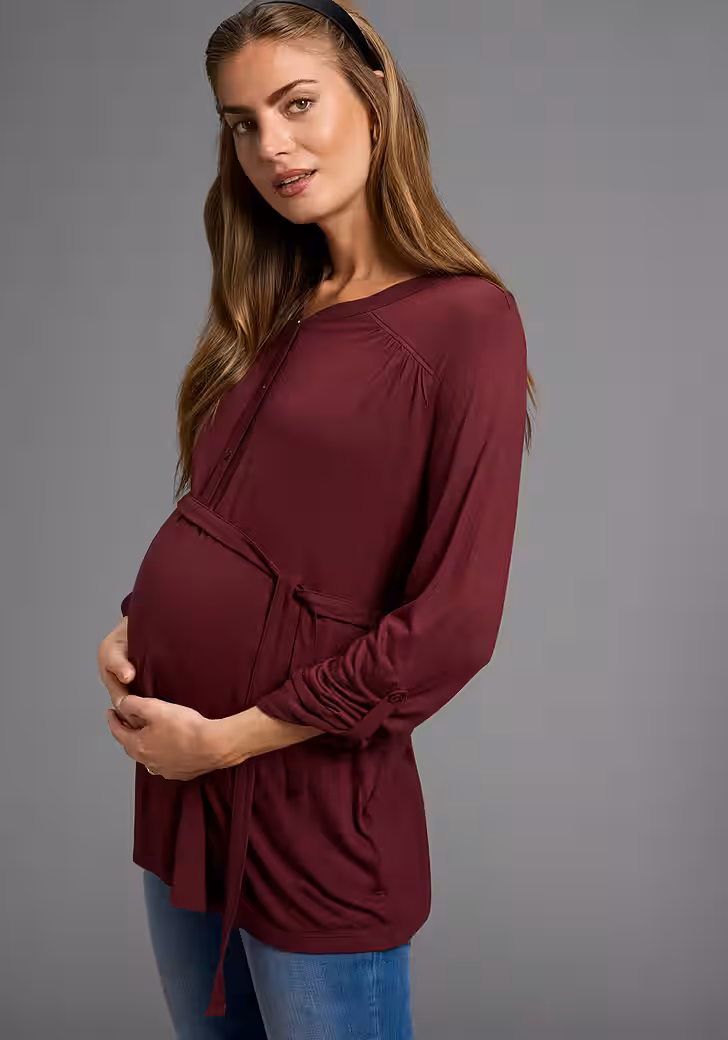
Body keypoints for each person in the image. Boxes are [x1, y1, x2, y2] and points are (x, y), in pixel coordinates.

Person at [97, 1, 537, 1036]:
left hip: (306, 810)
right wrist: (135, 624)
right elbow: (238, 513)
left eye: (297, 104)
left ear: (374, 98)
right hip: (182, 792)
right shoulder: (276, 307)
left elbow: (454, 624)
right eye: (242, 123)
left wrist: (228, 741)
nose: (271, 147)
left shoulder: (465, 320)